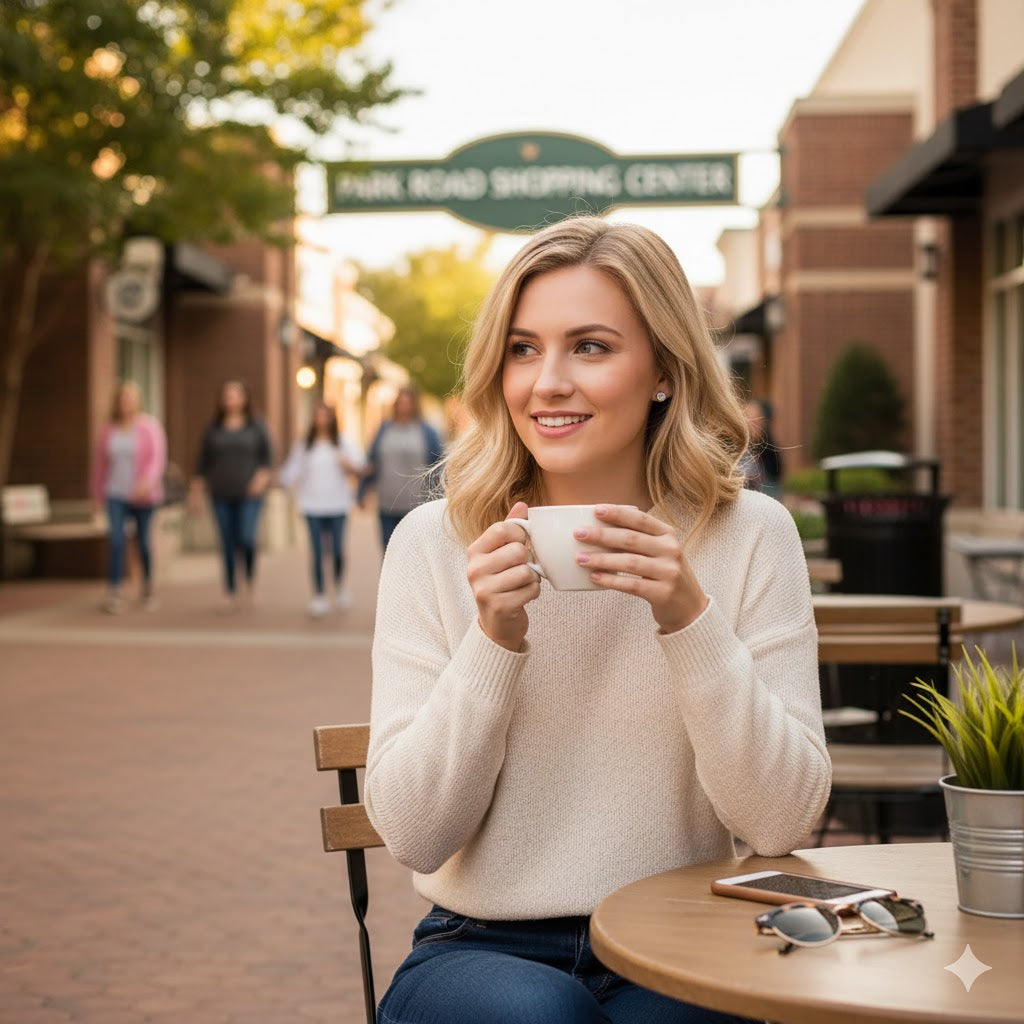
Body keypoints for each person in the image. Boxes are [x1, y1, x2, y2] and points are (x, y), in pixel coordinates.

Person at [364, 217, 830, 1024]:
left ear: (664, 372)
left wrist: (689, 619)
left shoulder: (751, 534)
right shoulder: (433, 543)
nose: (547, 382)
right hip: (481, 946)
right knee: (538, 1017)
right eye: (523, 349)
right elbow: (414, 833)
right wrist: (492, 642)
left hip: (684, 938)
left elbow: (780, 820)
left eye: (589, 347)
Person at [190, 379, 273, 611]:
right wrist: (195, 494)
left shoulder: (256, 426)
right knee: (227, 542)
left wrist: (260, 479)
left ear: (245, 398)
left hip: (249, 495)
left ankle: (249, 581)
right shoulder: (213, 428)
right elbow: (201, 464)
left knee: (247, 538)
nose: (231, 399)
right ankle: (230, 590)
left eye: (235, 394)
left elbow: (267, 459)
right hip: (220, 493)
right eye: (227, 395)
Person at [278, 401, 364, 617]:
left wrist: (347, 464)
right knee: (316, 551)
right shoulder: (305, 445)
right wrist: (281, 482)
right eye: (317, 415)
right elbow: (291, 471)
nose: (321, 420)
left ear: (332, 418)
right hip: (312, 505)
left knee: (337, 550)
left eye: (325, 415)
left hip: (337, 504)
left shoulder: (343, 442)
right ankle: (319, 595)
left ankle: (340, 586)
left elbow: (359, 467)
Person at [91, 380, 167, 613]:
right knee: (116, 540)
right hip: (115, 493)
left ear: (138, 401)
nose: (126, 403)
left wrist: (147, 482)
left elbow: (157, 459)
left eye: (131, 399)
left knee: (143, 542)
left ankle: (147, 588)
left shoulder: (149, 427)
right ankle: (115, 591)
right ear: (117, 402)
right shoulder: (108, 430)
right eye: (123, 399)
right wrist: (97, 496)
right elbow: (100, 466)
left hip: (143, 495)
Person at [358, 385, 444, 551]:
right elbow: (372, 462)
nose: (403, 407)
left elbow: (437, 466)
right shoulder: (384, 429)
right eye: (400, 403)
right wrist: (362, 492)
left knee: (414, 553)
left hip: (416, 504)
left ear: (414, 404)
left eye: (407, 403)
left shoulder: (427, 432)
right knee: (389, 551)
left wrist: (438, 497)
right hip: (387, 502)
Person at [739, 398, 783, 498]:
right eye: (747, 417)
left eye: (756, 420)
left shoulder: (770, 453)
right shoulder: (734, 449)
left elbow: (775, 484)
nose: (750, 423)